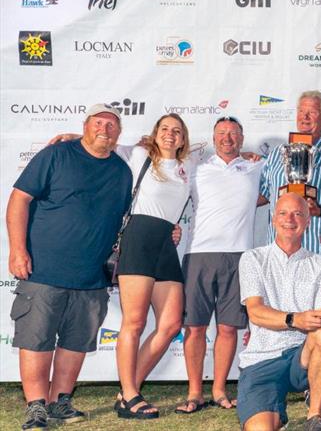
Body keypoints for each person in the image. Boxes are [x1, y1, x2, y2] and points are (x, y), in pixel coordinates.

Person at [7, 104, 132, 430]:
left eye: (112, 124)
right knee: (36, 339)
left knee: (76, 343)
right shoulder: (55, 156)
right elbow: (19, 199)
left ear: (119, 133)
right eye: (98, 122)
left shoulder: (122, 170)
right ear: (85, 125)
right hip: (44, 270)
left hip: (92, 278)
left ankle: (58, 401)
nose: (105, 128)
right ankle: (36, 406)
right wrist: (17, 250)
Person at [236, 193, 321, 431]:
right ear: (272, 219)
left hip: (300, 357)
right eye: (283, 213)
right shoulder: (252, 258)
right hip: (261, 361)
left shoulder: (320, 264)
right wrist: (295, 319)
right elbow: (256, 312)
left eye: (298, 213)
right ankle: (276, 413)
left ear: (308, 221)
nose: (290, 219)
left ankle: (314, 417)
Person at [177, 116, 264, 413]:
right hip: (198, 255)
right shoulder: (196, 168)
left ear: (242, 138)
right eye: (222, 133)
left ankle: (218, 389)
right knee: (195, 328)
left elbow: (282, 180)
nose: (227, 138)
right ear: (214, 139)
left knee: (228, 329)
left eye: (233, 133)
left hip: (240, 256)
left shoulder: (255, 167)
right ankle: (194, 392)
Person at [110, 113, 194, 419]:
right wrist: (69, 139)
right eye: (165, 129)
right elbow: (103, 147)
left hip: (165, 242)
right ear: (155, 133)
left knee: (171, 324)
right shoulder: (139, 155)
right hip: (139, 238)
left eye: (176, 131)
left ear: (183, 138)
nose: (170, 134)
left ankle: (126, 390)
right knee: (134, 323)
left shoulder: (186, 169)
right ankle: (131, 395)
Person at [259, 91, 321, 262]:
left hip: (316, 252)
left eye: (312, 112)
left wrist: (319, 210)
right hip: (276, 253)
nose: (305, 117)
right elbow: (262, 196)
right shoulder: (277, 153)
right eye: (301, 111)